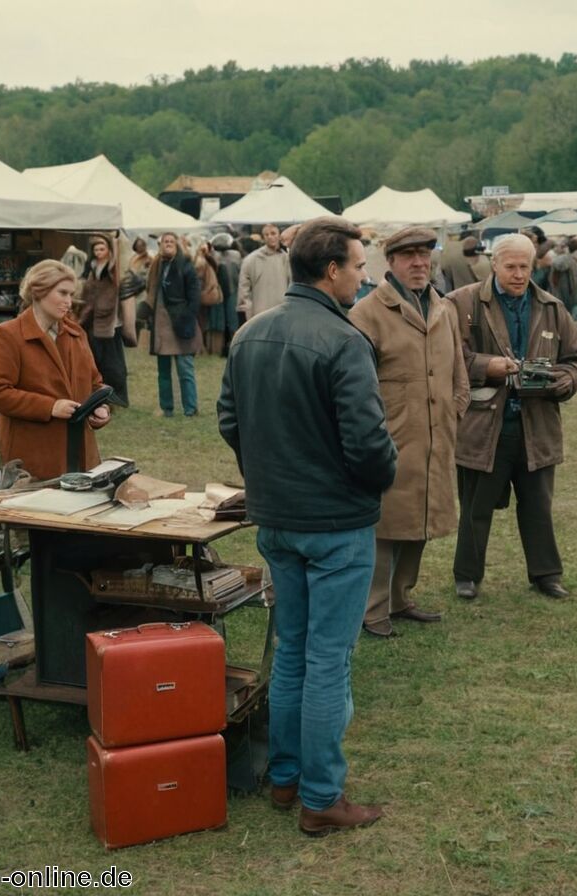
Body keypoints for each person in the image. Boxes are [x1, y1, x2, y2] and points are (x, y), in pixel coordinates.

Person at [217, 216, 397, 836]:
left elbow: (230, 421)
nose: (364, 275)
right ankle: (320, 796)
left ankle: (289, 777)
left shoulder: (249, 334)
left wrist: (266, 477)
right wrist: (373, 481)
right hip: (334, 523)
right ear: (330, 271)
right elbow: (369, 443)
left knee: (293, 651)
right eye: (358, 265)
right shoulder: (344, 341)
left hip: (279, 520)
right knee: (325, 660)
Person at [447, 233, 577, 601]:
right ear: (493, 264)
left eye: (525, 266)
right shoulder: (462, 303)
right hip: (484, 424)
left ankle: (546, 574)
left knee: (538, 505)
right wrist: (486, 365)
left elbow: (576, 360)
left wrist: (566, 380)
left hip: (536, 424)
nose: (519, 274)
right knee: (476, 508)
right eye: (511, 266)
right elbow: (447, 357)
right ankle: (467, 575)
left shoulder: (552, 308)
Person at [349, 226, 470, 638]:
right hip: (392, 440)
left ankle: (401, 598)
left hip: (436, 436)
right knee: (386, 525)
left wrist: (456, 407)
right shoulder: (366, 314)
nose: (420, 263)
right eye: (409, 257)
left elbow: (458, 370)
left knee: (421, 521)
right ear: (392, 262)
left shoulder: (443, 307)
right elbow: (354, 387)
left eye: (425, 255)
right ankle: (373, 609)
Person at [0, 260, 111, 481]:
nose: (69, 302)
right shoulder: (9, 335)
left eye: (71, 295)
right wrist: (50, 406)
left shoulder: (76, 334)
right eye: (62, 293)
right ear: (38, 291)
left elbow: (94, 383)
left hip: (80, 455)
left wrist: (100, 408)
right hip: (34, 457)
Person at [146, 233, 203, 417]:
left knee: (185, 369)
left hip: (181, 323)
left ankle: (190, 409)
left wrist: (187, 317)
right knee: (163, 372)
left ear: (177, 245)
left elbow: (195, 297)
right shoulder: (157, 265)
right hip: (160, 325)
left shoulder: (186, 266)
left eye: (171, 241)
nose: (168, 244)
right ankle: (167, 408)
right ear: (160, 245)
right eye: (165, 242)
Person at [78, 235, 129, 407]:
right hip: (93, 319)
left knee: (114, 363)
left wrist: (115, 241)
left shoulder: (113, 268)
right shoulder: (92, 268)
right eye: (96, 249)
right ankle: (102, 395)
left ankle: (119, 396)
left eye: (102, 249)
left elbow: (119, 262)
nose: (99, 252)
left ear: (108, 250)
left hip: (111, 322)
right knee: (97, 360)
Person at [238, 223, 290, 319]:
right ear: (263, 238)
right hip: (259, 314)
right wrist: (248, 312)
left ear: (279, 236)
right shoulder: (251, 260)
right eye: (266, 235)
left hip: (282, 312)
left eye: (273, 233)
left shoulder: (286, 259)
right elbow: (243, 290)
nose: (270, 237)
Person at [210, 232, 242, 356]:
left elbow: (240, 272)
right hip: (219, 292)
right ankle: (219, 347)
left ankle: (233, 347)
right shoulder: (213, 255)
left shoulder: (235, 255)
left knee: (233, 320)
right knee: (219, 320)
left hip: (233, 290)